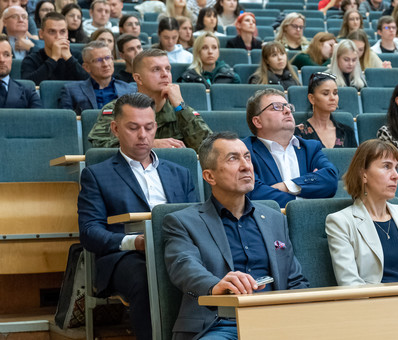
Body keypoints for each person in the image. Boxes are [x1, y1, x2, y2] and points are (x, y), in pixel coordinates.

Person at [162, 131, 309, 340]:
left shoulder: (275, 218)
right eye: (233, 158)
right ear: (209, 176)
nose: (246, 166)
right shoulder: (182, 221)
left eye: (247, 157)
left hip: (275, 322)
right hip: (218, 325)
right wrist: (215, 285)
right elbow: (184, 266)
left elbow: (295, 280)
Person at [78, 92, 200, 340]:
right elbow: (90, 231)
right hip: (126, 257)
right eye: (133, 128)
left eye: (149, 127)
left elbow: (197, 218)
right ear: (115, 129)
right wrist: (135, 242)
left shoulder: (180, 173)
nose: (143, 136)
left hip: (179, 250)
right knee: (146, 280)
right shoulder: (97, 175)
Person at [325, 139, 398, 286]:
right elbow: (350, 284)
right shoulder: (340, 222)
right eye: (386, 166)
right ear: (363, 174)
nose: (396, 175)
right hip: (374, 305)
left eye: (396, 168)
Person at [88, 49, 212, 149]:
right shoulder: (117, 110)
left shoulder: (180, 109)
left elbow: (209, 148)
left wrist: (181, 106)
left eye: (167, 69)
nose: (165, 74)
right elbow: (100, 147)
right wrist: (151, 144)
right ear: (138, 78)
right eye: (156, 69)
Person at [241, 88, 339, 207]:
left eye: (288, 106)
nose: (287, 111)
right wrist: (308, 194)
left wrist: (286, 186)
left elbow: (330, 180)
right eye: (276, 107)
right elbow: (253, 194)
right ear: (258, 121)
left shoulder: (310, 148)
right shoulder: (244, 151)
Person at [59, 41, 136, 114]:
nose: (105, 64)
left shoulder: (130, 90)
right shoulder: (71, 90)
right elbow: (66, 122)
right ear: (86, 67)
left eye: (108, 58)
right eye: (98, 60)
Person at [21, 12, 87, 85]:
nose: (58, 37)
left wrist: (69, 59)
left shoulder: (78, 57)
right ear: (41, 34)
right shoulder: (31, 59)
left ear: (67, 34)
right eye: (52, 32)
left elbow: (91, 83)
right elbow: (28, 84)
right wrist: (53, 59)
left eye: (62, 31)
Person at [296, 72, 357, 148]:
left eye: (335, 93)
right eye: (325, 93)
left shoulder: (347, 131)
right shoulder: (298, 132)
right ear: (312, 98)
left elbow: (356, 159)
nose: (332, 98)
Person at [0, 34, 40, 108]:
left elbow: (40, 118)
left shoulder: (28, 92)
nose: (2, 60)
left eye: (6, 55)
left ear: (11, 59)